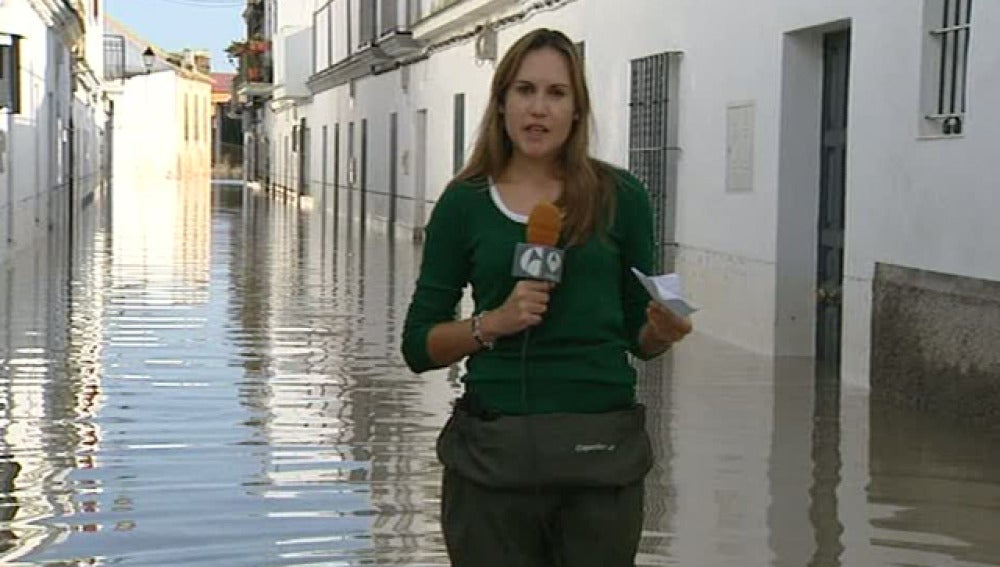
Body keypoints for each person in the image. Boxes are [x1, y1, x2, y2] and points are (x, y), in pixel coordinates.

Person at [401, 28, 692, 567]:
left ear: (578, 110)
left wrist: (661, 330)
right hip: (492, 461)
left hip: (601, 459)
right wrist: (494, 323)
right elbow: (418, 345)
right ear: (502, 103)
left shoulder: (621, 197)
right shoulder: (464, 203)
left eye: (556, 94)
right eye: (524, 90)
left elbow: (639, 336)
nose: (538, 109)